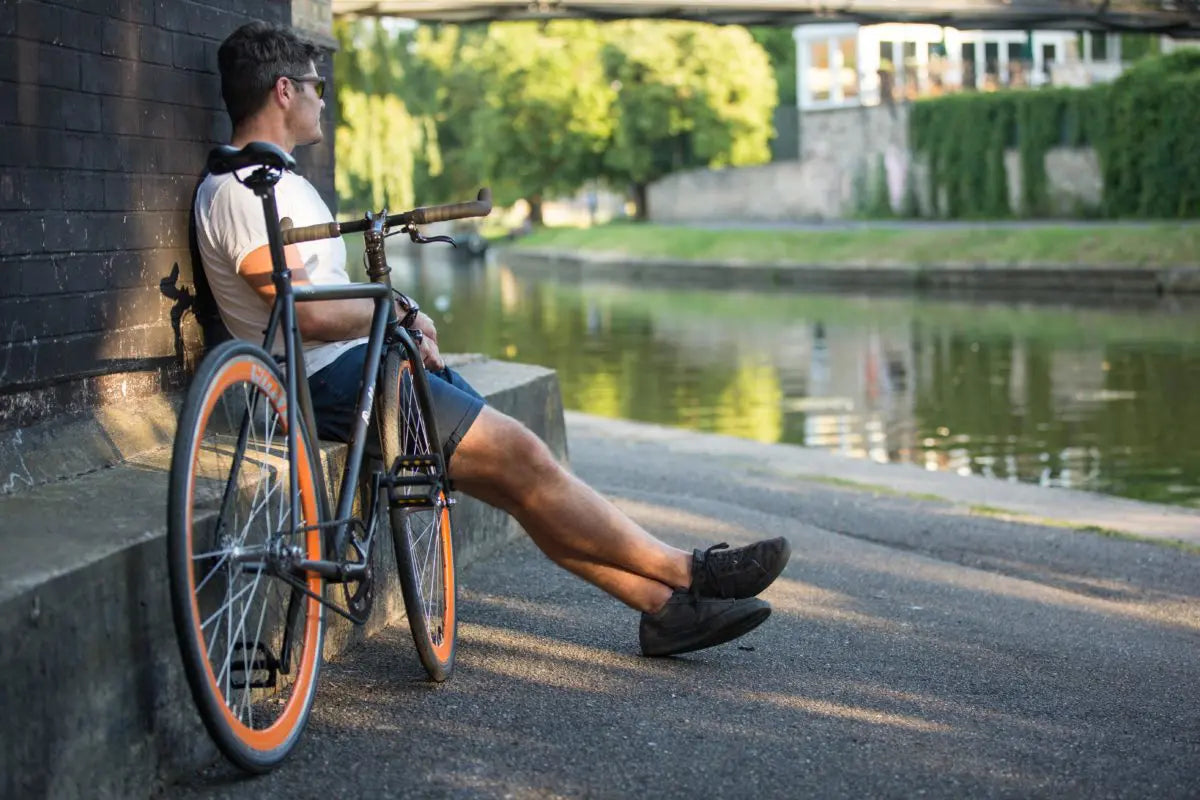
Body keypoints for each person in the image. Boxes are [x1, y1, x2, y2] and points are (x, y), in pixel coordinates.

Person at [194, 21, 791, 658]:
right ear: (283, 91)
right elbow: (304, 315)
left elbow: (322, 303)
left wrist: (394, 318)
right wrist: (396, 311)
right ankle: (691, 571)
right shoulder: (239, 190)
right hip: (330, 381)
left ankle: (664, 611)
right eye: (316, 86)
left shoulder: (279, 181)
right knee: (526, 461)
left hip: (363, 366)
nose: (324, 98)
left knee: (524, 480)